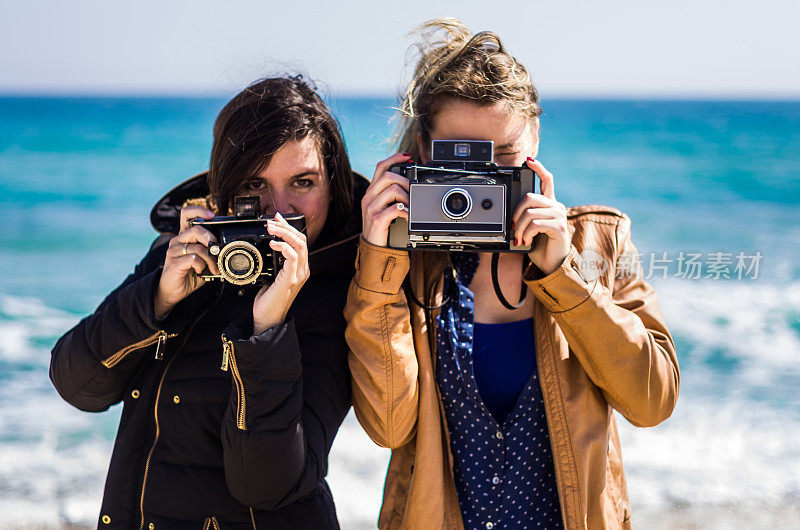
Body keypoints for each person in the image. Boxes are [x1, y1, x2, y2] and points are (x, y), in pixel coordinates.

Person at [345, 18, 680, 530]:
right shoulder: (402, 261)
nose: (484, 179)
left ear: (536, 136)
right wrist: (379, 261)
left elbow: (652, 401)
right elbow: (388, 425)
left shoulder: (600, 242)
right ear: (421, 151)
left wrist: (564, 276)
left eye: (502, 156)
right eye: (464, 158)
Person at [50, 76, 367, 529]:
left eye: (303, 182)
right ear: (224, 187)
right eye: (255, 184)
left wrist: (268, 330)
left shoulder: (340, 289)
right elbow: (76, 384)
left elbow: (268, 485)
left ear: (333, 186)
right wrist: (159, 296)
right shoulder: (182, 257)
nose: (277, 211)